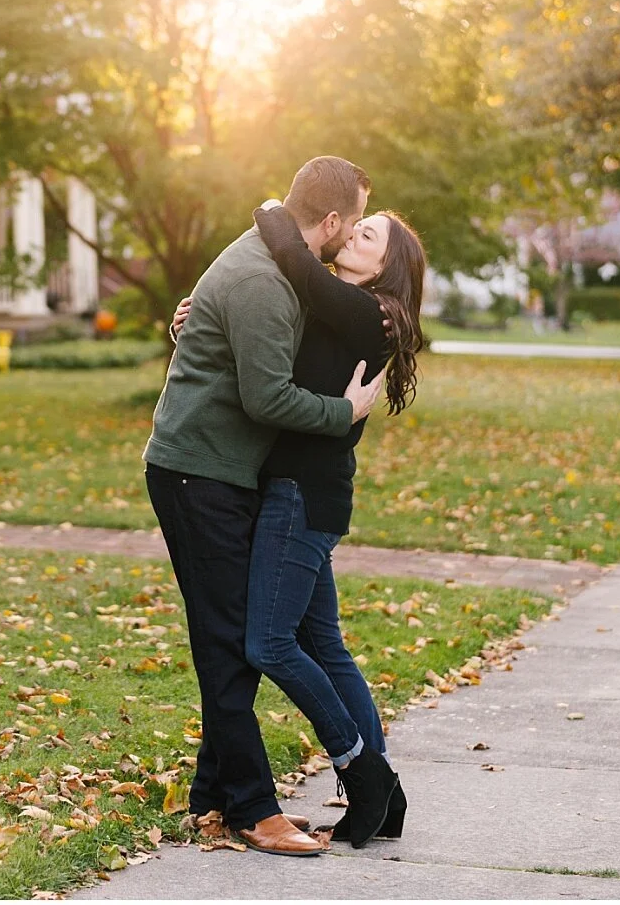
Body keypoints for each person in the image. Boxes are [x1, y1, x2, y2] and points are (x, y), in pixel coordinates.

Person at [143, 156, 382, 857]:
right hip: (196, 473)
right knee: (227, 643)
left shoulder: (279, 273)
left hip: (220, 471)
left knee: (234, 636)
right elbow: (267, 398)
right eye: (357, 220)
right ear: (331, 221)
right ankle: (253, 808)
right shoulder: (263, 281)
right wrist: (344, 413)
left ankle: (211, 798)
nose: (357, 233)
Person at [170, 202, 427, 849]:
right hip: (304, 496)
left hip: (298, 498)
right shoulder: (343, 310)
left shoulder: (368, 312)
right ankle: (385, 791)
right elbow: (272, 342)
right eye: (351, 223)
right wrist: (201, 321)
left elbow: (293, 261)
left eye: (365, 233)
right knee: (325, 645)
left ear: (384, 266)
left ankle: (359, 769)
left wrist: (271, 210)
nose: (348, 234)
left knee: (269, 645)